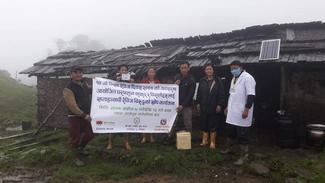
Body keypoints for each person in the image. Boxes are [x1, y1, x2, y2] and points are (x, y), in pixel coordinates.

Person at [223, 60, 256, 166]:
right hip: (232, 112)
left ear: (241, 68)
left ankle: (244, 157)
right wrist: (228, 107)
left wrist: (247, 109)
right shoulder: (234, 78)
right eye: (232, 68)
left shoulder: (248, 78)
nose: (233, 70)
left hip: (242, 112)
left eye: (235, 68)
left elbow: (251, 95)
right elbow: (231, 94)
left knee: (243, 135)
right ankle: (229, 149)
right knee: (230, 132)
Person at [62, 66, 94, 166]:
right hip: (75, 117)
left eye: (80, 72)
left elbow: (89, 91)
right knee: (75, 137)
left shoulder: (84, 84)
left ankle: (80, 149)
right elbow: (72, 106)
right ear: (71, 75)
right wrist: (83, 115)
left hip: (87, 115)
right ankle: (74, 158)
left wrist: (98, 84)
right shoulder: (68, 89)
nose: (78, 74)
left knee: (90, 134)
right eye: (75, 72)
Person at [196, 63, 225, 149]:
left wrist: (220, 104)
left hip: (214, 106)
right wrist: (198, 103)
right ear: (205, 71)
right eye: (207, 69)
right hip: (203, 106)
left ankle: (212, 142)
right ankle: (205, 141)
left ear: (213, 70)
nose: (209, 71)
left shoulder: (218, 80)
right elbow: (199, 93)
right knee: (204, 123)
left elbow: (222, 94)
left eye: (210, 69)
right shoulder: (202, 80)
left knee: (213, 124)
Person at [106, 64, 134, 151]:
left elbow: (136, 91)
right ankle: (110, 143)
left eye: (125, 70)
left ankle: (126, 142)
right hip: (116, 106)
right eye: (122, 70)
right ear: (119, 71)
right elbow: (107, 88)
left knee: (126, 125)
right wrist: (115, 82)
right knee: (113, 124)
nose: (124, 71)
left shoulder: (130, 80)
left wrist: (131, 82)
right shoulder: (114, 80)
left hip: (126, 106)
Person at [140, 67, 160, 144]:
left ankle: (151, 136)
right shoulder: (143, 81)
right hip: (145, 104)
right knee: (144, 120)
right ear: (147, 73)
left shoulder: (158, 82)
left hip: (154, 105)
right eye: (150, 72)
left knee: (152, 120)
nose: (151, 73)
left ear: (155, 74)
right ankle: (144, 137)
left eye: (153, 72)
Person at [175, 61, 196, 132]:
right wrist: (174, 84)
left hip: (187, 105)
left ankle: (188, 138)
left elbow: (190, 95)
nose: (183, 69)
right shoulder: (177, 77)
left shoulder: (191, 80)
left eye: (185, 68)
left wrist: (183, 105)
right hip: (176, 104)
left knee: (187, 121)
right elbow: (171, 89)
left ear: (188, 68)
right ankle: (169, 138)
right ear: (180, 69)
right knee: (172, 120)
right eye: (182, 68)